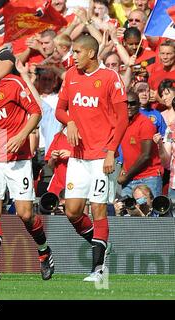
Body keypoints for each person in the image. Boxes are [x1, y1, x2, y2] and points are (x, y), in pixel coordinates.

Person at [0, 48, 54, 280]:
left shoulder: (12, 83)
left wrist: (22, 135)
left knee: (25, 214)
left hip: (18, 159)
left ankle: (44, 251)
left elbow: (36, 112)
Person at [55, 34, 128, 282]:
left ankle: (98, 269)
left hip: (101, 156)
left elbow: (122, 118)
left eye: (77, 52)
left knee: (98, 208)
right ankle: (102, 244)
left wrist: (110, 151)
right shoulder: (71, 76)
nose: (73, 56)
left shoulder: (110, 78)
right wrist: (70, 121)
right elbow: (59, 110)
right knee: (72, 211)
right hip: (78, 156)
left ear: (91, 53)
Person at [118, 92, 162, 198]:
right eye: (126, 103)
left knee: (149, 213)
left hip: (148, 177)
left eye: (132, 103)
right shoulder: (123, 124)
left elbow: (145, 155)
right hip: (130, 178)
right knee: (126, 214)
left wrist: (126, 176)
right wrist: (124, 169)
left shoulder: (145, 124)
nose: (128, 106)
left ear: (138, 105)